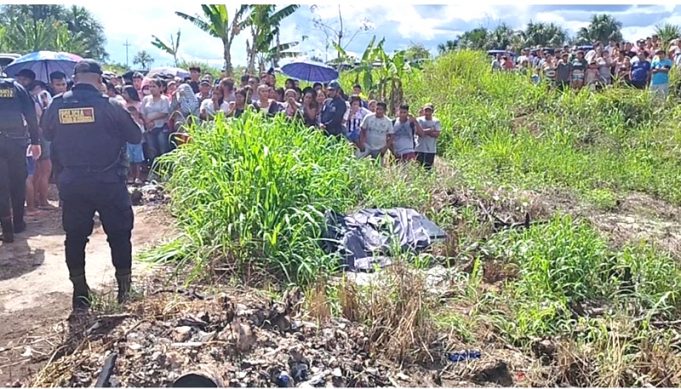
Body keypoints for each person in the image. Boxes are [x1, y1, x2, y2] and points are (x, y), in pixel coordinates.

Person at [40, 59, 142, 312]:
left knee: (75, 237)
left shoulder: (57, 104)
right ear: (99, 80)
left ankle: (80, 293)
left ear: (75, 78)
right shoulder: (110, 106)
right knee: (119, 235)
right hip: (108, 182)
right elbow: (136, 136)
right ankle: (125, 291)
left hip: (73, 183)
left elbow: (46, 133)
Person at [0, 77, 42, 242]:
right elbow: (31, 115)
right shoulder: (16, 88)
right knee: (18, 182)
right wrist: (35, 142)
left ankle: (6, 228)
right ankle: (18, 223)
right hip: (15, 142)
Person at [140, 78, 171, 161]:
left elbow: (165, 112)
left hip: (161, 127)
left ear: (160, 88)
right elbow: (142, 112)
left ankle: (164, 168)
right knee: (151, 149)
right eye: (150, 87)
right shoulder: (146, 99)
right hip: (149, 128)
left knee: (163, 148)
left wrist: (151, 119)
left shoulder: (164, 99)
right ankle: (154, 168)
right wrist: (146, 121)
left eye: (154, 86)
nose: (151, 89)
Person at [415, 103, 441, 170]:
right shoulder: (419, 120)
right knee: (418, 168)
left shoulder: (436, 121)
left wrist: (424, 132)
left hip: (430, 149)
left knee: (428, 169)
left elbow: (437, 134)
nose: (427, 112)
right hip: (419, 148)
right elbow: (418, 132)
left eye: (429, 111)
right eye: (426, 110)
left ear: (432, 111)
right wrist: (430, 130)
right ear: (423, 111)